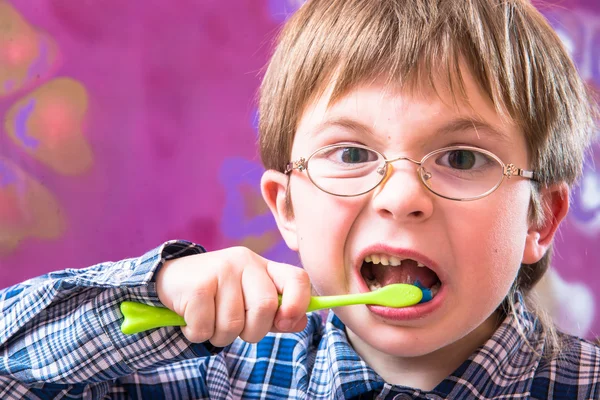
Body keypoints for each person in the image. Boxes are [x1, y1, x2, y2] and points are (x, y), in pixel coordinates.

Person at [1, 0, 599, 398]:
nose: (401, 197)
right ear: (286, 208)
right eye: (352, 154)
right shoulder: (213, 376)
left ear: (539, 220)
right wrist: (157, 290)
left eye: (463, 159)